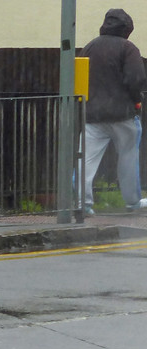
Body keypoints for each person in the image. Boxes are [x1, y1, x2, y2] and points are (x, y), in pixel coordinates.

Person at [80, 8, 147, 216]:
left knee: (86, 158)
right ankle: (132, 202)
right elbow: (135, 78)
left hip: (92, 115)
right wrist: (137, 101)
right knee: (128, 157)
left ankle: (83, 203)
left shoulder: (89, 47)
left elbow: (79, 76)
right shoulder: (128, 48)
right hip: (122, 114)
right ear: (127, 29)